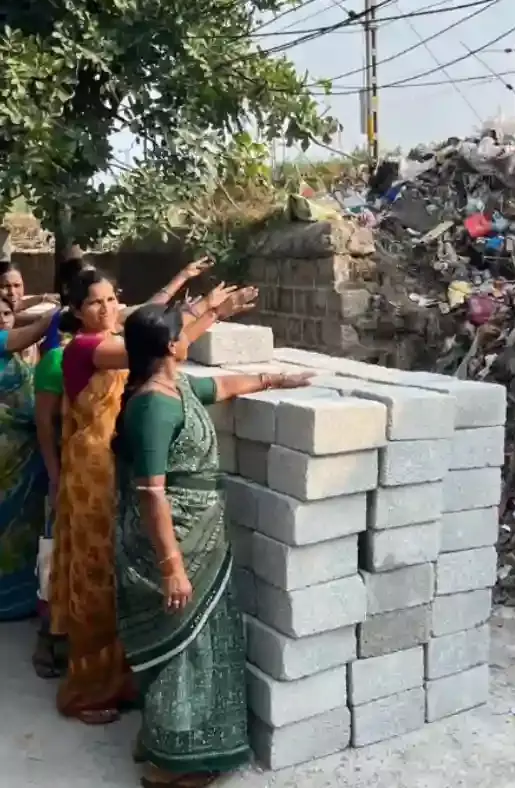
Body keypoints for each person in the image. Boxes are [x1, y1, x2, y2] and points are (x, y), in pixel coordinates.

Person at [114, 304, 314, 787]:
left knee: (201, 640)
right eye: (183, 333)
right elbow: (151, 492)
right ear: (168, 347)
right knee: (182, 648)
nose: (190, 338)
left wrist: (275, 380)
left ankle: (164, 742)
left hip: (202, 535)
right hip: (176, 544)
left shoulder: (174, 387)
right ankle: (168, 765)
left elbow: (221, 387)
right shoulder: (153, 406)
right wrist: (172, 566)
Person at [51, 268, 252, 725]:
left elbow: (163, 344)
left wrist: (203, 308)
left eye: (110, 299)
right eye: (94, 303)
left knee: (120, 574)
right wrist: (209, 312)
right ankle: (84, 691)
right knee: (95, 578)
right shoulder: (89, 348)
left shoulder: (119, 337)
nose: (105, 309)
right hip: (93, 474)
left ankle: (120, 679)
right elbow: (161, 349)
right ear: (77, 312)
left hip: (119, 467)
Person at [31, 254, 91, 678]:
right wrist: (54, 475)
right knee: (56, 559)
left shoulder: (102, 354)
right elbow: (44, 426)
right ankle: (49, 646)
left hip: (93, 474)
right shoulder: (58, 361)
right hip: (65, 472)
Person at [0, 301, 68, 620]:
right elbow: (27, 333)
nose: (2, 319)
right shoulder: (13, 342)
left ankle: (23, 598)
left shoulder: (16, 358)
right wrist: (58, 313)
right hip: (5, 458)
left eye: (5, 313)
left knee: (25, 527)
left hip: (27, 454)